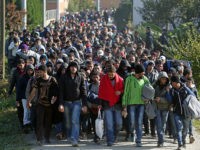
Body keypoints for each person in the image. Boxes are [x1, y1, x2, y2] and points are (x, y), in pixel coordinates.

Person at [58, 61, 88, 147]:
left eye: (75, 66)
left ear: (77, 68)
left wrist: (85, 104)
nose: (73, 68)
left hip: (77, 102)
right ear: (69, 67)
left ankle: (74, 139)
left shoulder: (80, 77)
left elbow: (83, 91)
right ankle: (70, 136)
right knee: (68, 121)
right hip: (66, 102)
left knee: (75, 120)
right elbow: (61, 92)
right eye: (71, 66)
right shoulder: (63, 77)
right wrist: (60, 104)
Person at [27, 65, 58, 145]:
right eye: (38, 72)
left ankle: (47, 138)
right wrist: (29, 101)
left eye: (40, 72)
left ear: (45, 71)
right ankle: (39, 139)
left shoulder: (53, 80)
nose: (39, 73)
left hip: (50, 105)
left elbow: (56, 91)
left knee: (48, 122)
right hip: (40, 103)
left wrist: (54, 98)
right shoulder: (38, 80)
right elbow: (33, 91)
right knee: (39, 121)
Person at [122, 64, 150, 147]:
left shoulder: (144, 79)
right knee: (132, 122)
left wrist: (148, 98)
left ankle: (139, 140)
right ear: (138, 72)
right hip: (131, 104)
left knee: (139, 122)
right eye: (142, 73)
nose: (143, 74)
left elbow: (150, 89)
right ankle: (132, 132)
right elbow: (126, 92)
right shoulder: (129, 79)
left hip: (141, 104)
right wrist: (124, 105)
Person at [98, 65, 124, 146]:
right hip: (107, 104)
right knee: (109, 124)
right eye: (109, 74)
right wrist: (100, 103)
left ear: (115, 72)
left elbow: (124, 90)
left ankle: (114, 136)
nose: (110, 76)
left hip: (118, 105)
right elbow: (100, 92)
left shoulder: (120, 80)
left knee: (119, 124)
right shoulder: (103, 79)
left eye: (112, 74)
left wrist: (120, 92)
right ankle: (110, 140)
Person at [170, 75, 195, 150]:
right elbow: (172, 100)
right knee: (179, 128)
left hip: (186, 113)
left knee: (185, 130)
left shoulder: (185, 89)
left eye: (172, 82)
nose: (171, 84)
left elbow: (193, 95)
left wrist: (186, 88)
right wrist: (171, 105)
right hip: (176, 112)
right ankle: (180, 144)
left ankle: (183, 142)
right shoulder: (173, 90)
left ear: (176, 82)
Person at [153, 71, 171, 147]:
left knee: (163, 125)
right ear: (159, 79)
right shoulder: (154, 85)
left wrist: (161, 99)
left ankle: (161, 140)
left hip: (165, 108)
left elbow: (170, 100)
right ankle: (160, 141)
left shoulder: (169, 87)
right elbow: (151, 95)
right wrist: (154, 99)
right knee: (159, 125)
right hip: (157, 108)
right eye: (162, 78)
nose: (164, 80)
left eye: (165, 79)